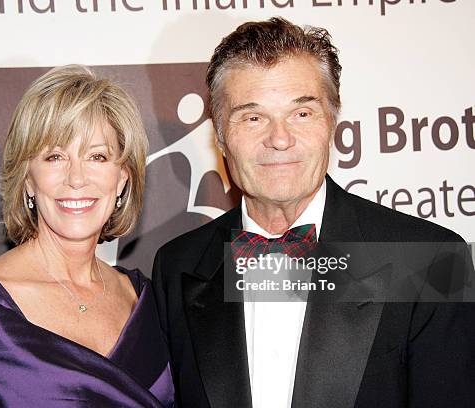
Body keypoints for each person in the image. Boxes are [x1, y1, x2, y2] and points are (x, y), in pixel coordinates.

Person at [152, 17, 475, 408]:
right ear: (220, 134)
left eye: (301, 114)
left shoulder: (431, 262)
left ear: (333, 122)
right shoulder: (177, 267)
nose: (280, 138)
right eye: (253, 117)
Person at [0, 65, 174, 407]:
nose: (76, 177)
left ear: (122, 179)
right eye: (55, 156)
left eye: (97, 156)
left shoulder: (145, 299)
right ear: (27, 179)